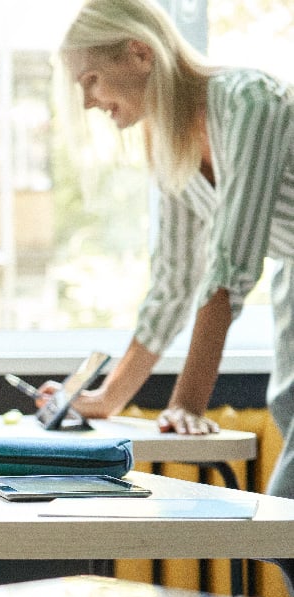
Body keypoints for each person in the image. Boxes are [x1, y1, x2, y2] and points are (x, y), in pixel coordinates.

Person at [55, 0, 294, 498]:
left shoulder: (248, 99)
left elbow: (233, 260)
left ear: (140, 53)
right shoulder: (167, 145)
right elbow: (174, 284)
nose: (88, 102)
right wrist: (107, 398)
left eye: (91, 80)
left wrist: (187, 402)